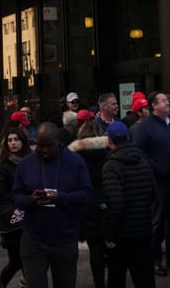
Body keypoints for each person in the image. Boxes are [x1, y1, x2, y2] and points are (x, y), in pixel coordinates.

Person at [12, 121, 93, 288]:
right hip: (33, 239)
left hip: (65, 238)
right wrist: (30, 200)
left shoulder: (75, 161)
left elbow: (86, 194)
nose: (44, 151)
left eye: (49, 146)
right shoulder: (26, 164)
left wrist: (61, 198)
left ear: (58, 141)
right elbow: (16, 195)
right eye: (40, 146)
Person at [131, 90, 170, 276]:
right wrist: (156, 167)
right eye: (163, 101)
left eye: (168, 101)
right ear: (154, 105)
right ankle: (154, 260)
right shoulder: (145, 126)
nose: (168, 103)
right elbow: (139, 152)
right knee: (157, 222)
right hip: (156, 181)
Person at [101, 120, 156, 288]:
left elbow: (115, 203)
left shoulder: (111, 166)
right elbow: (153, 193)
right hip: (144, 230)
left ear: (109, 141)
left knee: (116, 277)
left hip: (121, 234)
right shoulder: (144, 161)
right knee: (145, 278)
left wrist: (109, 233)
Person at [68, 120, 111, 288]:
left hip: (85, 205)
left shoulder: (74, 156)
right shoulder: (108, 151)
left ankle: (99, 282)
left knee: (95, 248)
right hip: (107, 201)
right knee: (110, 244)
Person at [0, 128, 32, 286]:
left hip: (29, 215)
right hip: (12, 218)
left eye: (16, 139)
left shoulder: (29, 161)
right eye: (10, 140)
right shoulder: (2, 166)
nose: (13, 143)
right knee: (16, 261)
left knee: (29, 259)